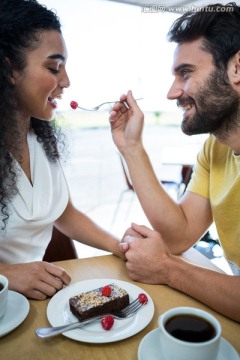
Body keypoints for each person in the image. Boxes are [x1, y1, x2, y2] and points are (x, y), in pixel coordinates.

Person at [109, 2, 240, 322]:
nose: (171, 93)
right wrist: (131, 148)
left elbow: (171, 254)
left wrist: (167, 269)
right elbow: (179, 235)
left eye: (185, 73)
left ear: (237, 69)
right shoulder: (216, 148)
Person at [0, 0, 124, 301]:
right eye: (54, 68)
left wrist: (119, 246)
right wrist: (7, 274)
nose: (66, 81)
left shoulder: (39, 139)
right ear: (9, 70)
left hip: (33, 305)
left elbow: (65, 214)